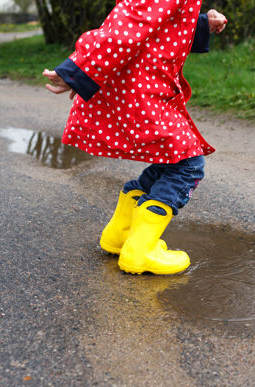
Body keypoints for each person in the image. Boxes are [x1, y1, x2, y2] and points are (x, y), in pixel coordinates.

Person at [43, 1, 227, 275]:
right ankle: (140, 251)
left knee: (172, 158)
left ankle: (120, 236)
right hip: (141, 89)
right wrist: (78, 71)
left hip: (138, 84)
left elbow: (160, 24)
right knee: (188, 164)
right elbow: (127, 27)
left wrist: (200, 23)